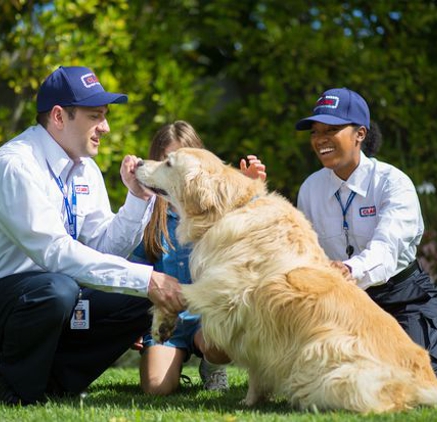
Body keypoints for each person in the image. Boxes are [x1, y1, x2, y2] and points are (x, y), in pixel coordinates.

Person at [0, 66, 185, 405]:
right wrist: (148, 279)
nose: (105, 127)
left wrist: (137, 200)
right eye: (96, 116)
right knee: (59, 288)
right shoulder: (16, 166)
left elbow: (104, 248)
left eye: (105, 116)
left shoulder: (85, 168)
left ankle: (53, 382)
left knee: (137, 299)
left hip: (46, 295)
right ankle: (13, 388)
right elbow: (56, 253)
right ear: (58, 116)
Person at [295, 87, 437, 373]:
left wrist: (349, 270)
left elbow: (386, 248)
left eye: (331, 129)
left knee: (415, 373)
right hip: (340, 302)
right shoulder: (310, 188)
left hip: (401, 296)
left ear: (360, 133)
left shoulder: (393, 183)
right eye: (315, 131)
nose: (320, 139)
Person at [130, 121, 267, 395]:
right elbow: (133, 269)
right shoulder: (144, 213)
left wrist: (249, 187)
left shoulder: (218, 211)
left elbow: (253, 240)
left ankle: (211, 364)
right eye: (169, 163)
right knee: (157, 389)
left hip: (208, 319)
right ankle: (172, 361)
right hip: (167, 317)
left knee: (219, 347)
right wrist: (128, 322)